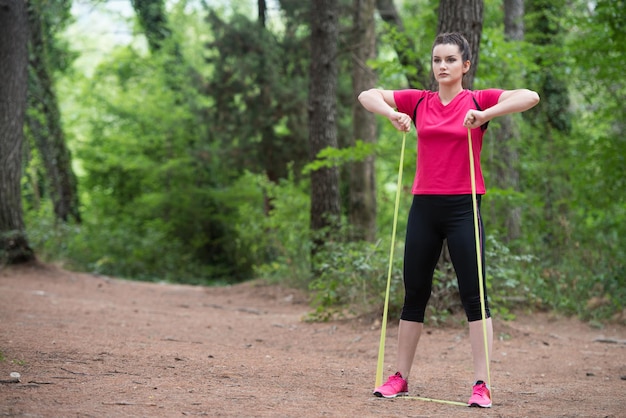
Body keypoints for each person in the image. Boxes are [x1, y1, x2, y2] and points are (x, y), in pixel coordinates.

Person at [358, 32, 540, 408]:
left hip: (463, 208)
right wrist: (392, 113)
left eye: (451, 60)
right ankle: (400, 377)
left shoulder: (477, 100)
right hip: (424, 208)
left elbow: (530, 96)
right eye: (437, 60)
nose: (442, 66)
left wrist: (485, 116)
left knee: (475, 298)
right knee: (414, 294)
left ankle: (482, 384)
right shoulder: (419, 102)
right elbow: (367, 94)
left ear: (465, 65)